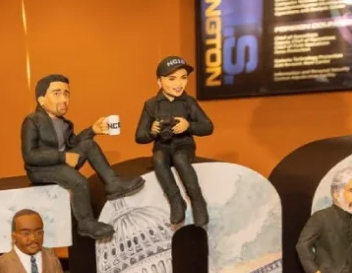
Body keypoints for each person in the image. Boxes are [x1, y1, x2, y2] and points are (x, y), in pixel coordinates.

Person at [21, 74, 144, 240]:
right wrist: (62, 157)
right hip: (42, 169)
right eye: (56, 94)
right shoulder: (32, 121)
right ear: (41, 99)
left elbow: (73, 143)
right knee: (79, 181)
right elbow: (30, 155)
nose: (64, 99)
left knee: (88, 145)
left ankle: (113, 184)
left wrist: (92, 130)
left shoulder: (65, 123)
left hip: (62, 162)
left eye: (66, 94)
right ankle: (86, 222)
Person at [134, 56, 214, 227]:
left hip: (184, 144)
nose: (179, 83)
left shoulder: (188, 102)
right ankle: (176, 201)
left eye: (183, 77)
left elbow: (208, 127)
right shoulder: (151, 105)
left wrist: (188, 125)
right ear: (159, 82)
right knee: (158, 159)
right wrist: (152, 132)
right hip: (162, 145)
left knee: (180, 159)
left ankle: (197, 201)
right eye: (172, 79)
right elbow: (139, 136)